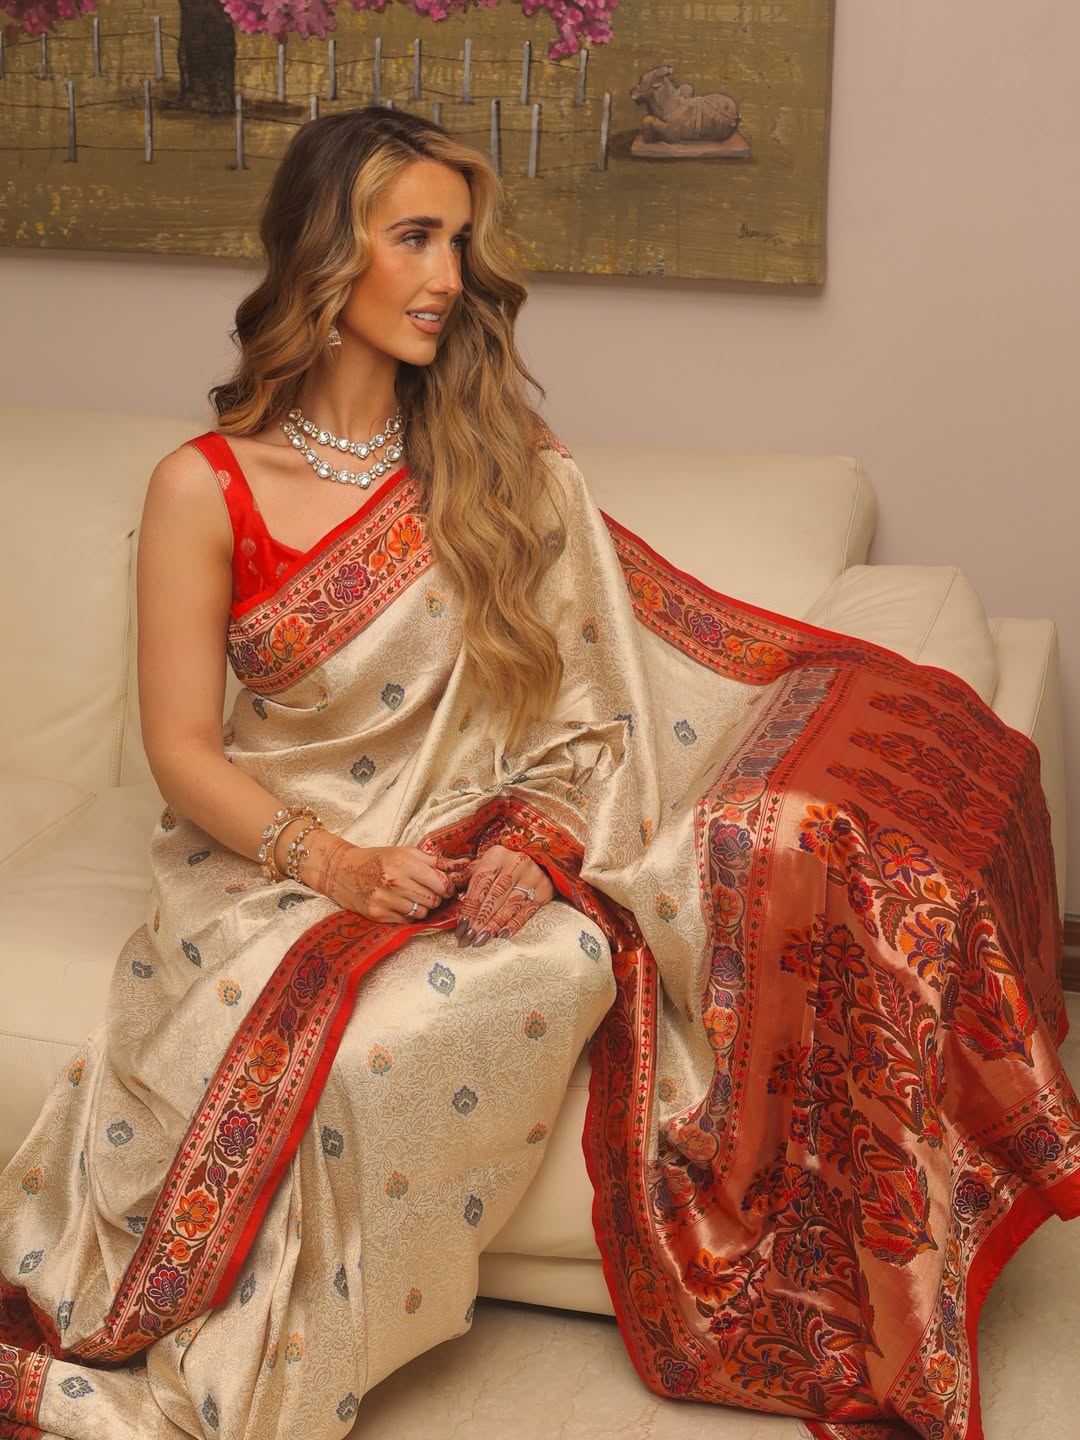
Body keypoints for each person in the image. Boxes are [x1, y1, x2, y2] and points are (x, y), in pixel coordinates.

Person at [0, 107, 1076, 1440]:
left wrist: (537, 845)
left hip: (484, 870)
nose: (448, 276)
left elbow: (586, 712)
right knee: (317, 1058)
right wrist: (341, 864)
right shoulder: (205, 485)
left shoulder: (504, 468)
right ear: (324, 254)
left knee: (549, 966)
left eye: (459, 242)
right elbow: (181, 753)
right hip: (272, 867)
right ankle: (229, 1369)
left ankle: (285, 1366)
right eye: (414, 238)